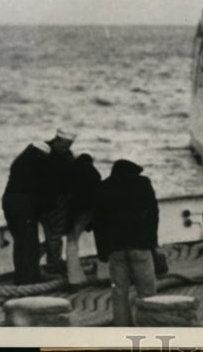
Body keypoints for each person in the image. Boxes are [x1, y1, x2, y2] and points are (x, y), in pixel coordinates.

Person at [92, 159, 160, 326]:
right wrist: (152, 242)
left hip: (115, 249)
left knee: (119, 292)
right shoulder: (143, 183)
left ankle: (122, 328)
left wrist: (102, 250)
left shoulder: (103, 187)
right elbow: (153, 214)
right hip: (140, 245)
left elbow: (98, 222)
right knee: (147, 291)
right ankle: (148, 326)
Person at [1, 140, 52, 284]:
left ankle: (21, 277)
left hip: (9, 202)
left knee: (20, 242)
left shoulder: (20, 162)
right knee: (30, 242)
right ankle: (30, 279)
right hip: (23, 205)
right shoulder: (36, 165)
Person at [40, 128, 76, 275]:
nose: (67, 148)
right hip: (49, 202)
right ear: (57, 140)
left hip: (57, 202)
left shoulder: (66, 154)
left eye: (70, 144)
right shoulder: (43, 152)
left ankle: (53, 262)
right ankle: (54, 264)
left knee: (54, 235)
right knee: (54, 236)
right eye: (66, 144)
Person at [65, 152, 102, 287]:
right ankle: (103, 274)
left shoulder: (72, 173)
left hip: (77, 212)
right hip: (92, 212)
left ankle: (74, 279)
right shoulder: (95, 173)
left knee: (71, 243)